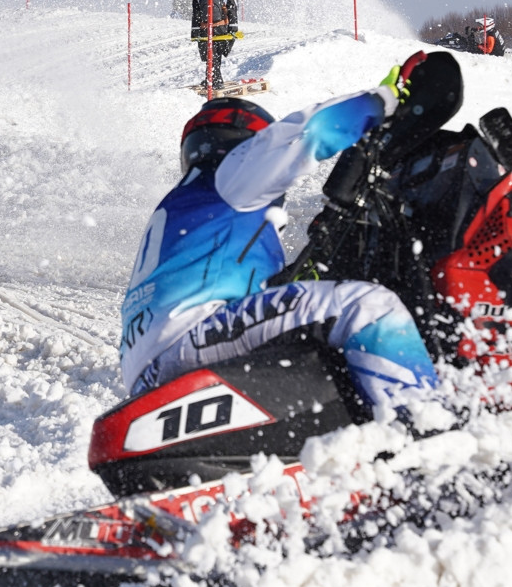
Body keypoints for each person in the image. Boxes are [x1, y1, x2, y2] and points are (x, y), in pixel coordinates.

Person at [117, 62, 440, 412]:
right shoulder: (231, 175)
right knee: (368, 308)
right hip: (189, 339)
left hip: (146, 373)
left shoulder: (184, 205)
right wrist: (386, 100)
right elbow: (307, 132)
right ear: (243, 141)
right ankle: (426, 431)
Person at [173, 0, 240, 84]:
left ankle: (211, 77)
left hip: (205, 27)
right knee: (217, 53)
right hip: (221, 27)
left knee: (210, 52)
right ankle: (216, 79)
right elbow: (232, 8)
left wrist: (195, 31)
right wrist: (233, 27)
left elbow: (196, 13)